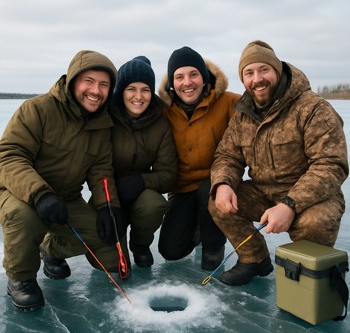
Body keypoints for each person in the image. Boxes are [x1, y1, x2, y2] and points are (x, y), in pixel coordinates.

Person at [208, 40, 349, 286]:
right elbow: (227, 156)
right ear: (243, 79)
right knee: (217, 201)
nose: (257, 78)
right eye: (249, 73)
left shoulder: (313, 107)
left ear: (277, 70)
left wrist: (290, 205)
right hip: (264, 191)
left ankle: (305, 278)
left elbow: (331, 164)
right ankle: (254, 259)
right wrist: (223, 184)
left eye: (264, 70)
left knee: (315, 223)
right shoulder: (243, 115)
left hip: (312, 197)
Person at [0, 50, 127, 311]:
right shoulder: (37, 109)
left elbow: (101, 170)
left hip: (66, 197)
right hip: (19, 193)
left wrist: (107, 206)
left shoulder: (102, 123)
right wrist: (40, 193)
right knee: (24, 217)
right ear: (73, 81)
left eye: (104, 85)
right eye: (88, 81)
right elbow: (9, 155)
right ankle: (20, 278)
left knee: (108, 252)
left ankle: (51, 249)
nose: (96, 90)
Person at [158, 46, 241, 270]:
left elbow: (263, 118)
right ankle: (197, 228)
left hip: (218, 184)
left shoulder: (230, 102)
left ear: (204, 79)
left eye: (194, 74)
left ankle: (214, 245)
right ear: (172, 84)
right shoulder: (163, 110)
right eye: (179, 76)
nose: (187, 82)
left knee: (208, 190)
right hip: (182, 188)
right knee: (170, 251)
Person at [110, 56, 177, 267]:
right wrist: (110, 199)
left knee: (154, 204)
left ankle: (140, 244)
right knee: (112, 263)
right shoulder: (105, 118)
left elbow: (168, 175)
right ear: (121, 90)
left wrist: (140, 181)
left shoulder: (161, 123)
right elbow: (91, 166)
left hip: (140, 191)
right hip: (108, 191)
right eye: (131, 88)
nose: (139, 96)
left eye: (145, 89)